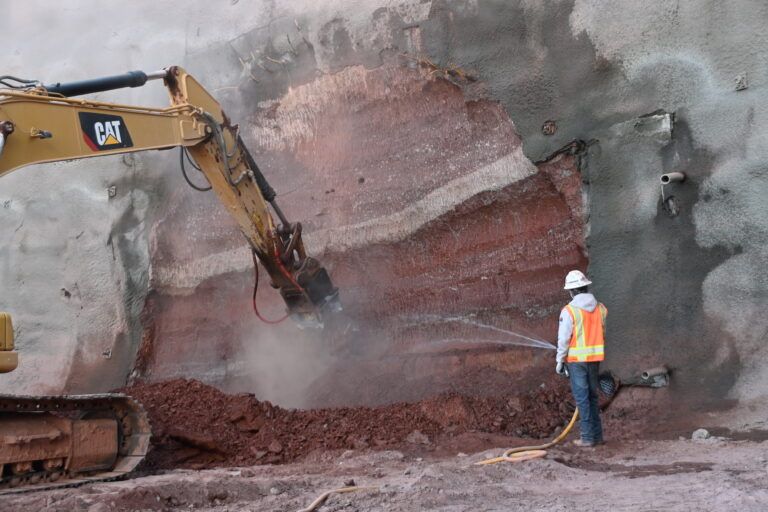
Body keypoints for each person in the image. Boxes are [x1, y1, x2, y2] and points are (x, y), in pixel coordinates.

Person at [555, 270, 607, 447]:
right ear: (585, 287)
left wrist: (560, 361)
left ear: (572, 291)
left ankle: (586, 438)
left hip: (576, 361)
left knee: (582, 398)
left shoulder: (569, 311)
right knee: (592, 397)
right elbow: (602, 332)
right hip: (594, 359)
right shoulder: (601, 308)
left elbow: (564, 339)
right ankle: (597, 437)